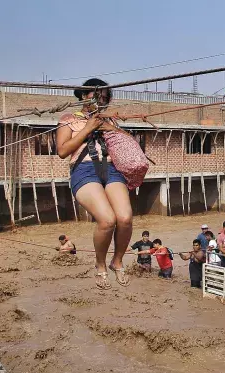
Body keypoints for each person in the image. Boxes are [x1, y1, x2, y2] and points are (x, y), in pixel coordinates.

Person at [56, 78, 132, 290]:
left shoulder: (110, 120)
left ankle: (117, 261)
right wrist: (88, 128)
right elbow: (62, 151)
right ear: (83, 96)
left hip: (112, 169)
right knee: (107, 220)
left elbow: (127, 143)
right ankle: (100, 265)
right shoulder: (69, 119)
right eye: (97, 96)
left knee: (124, 218)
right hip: (84, 169)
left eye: (105, 98)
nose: (102, 101)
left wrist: (110, 126)